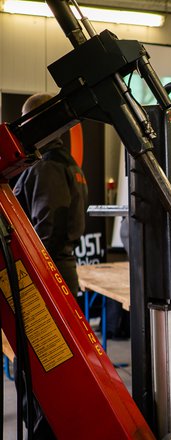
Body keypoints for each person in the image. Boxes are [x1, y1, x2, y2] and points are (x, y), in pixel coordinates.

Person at [12, 93, 88, 439]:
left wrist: (31, 275)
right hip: (60, 273)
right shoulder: (68, 164)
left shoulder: (46, 167)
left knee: (40, 366)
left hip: (45, 277)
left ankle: (44, 432)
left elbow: (48, 229)